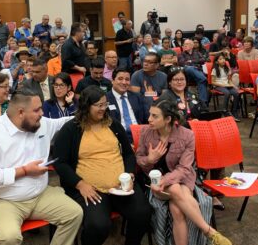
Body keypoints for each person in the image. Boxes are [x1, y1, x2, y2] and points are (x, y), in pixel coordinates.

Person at [0, 89, 82, 245]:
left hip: (39, 195)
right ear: (21, 112)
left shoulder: (40, 124)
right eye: (37, 110)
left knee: (74, 214)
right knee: (10, 238)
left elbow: (62, 123)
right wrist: (23, 171)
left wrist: (87, 114)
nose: (42, 113)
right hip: (0, 200)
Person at [53, 86, 152, 245]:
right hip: (91, 189)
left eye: (105, 104)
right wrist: (80, 184)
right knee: (98, 225)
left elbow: (128, 153)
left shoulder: (113, 124)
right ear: (86, 106)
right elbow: (60, 162)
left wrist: (129, 175)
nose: (103, 109)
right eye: (98, 105)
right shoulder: (71, 129)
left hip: (121, 186)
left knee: (143, 214)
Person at [136, 100, 232, 245]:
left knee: (177, 209)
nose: (149, 119)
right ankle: (209, 231)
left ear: (168, 119)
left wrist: (167, 180)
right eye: (150, 114)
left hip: (183, 178)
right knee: (174, 189)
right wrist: (150, 159)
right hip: (156, 182)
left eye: (155, 116)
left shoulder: (187, 135)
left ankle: (207, 233)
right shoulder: (146, 132)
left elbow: (184, 168)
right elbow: (138, 159)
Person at [106, 68, 149, 140]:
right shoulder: (105, 99)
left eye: (127, 79)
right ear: (112, 81)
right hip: (117, 137)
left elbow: (146, 118)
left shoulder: (137, 97)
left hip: (139, 135)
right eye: (120, 79)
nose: (124, 82)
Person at [177, 39, 209, 105]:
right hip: (187, 75)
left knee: (201, 82)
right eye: (184, 44)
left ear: (192, 46)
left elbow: (203, 60)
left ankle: (203, 103)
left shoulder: (197, 52)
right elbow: (182, 63)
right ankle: (204, 78)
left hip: (197, 73)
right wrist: (195, 64)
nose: (185, 45)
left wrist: (192, 61)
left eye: (187, 44)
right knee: (189, 68)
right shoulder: (181, 54)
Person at [211, 54, 241, 120]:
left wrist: (233, 85)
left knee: (236, 93)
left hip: (227, 85)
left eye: (223, 59)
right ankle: (225, 111)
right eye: (220, 59)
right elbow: (213, 82)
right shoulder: (214, 70)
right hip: (218, 85)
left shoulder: (227, 68)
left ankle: (234, 111)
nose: (223, 60)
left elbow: (229, 80)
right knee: (227, 93)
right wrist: (224, 85)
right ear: (216, 62)